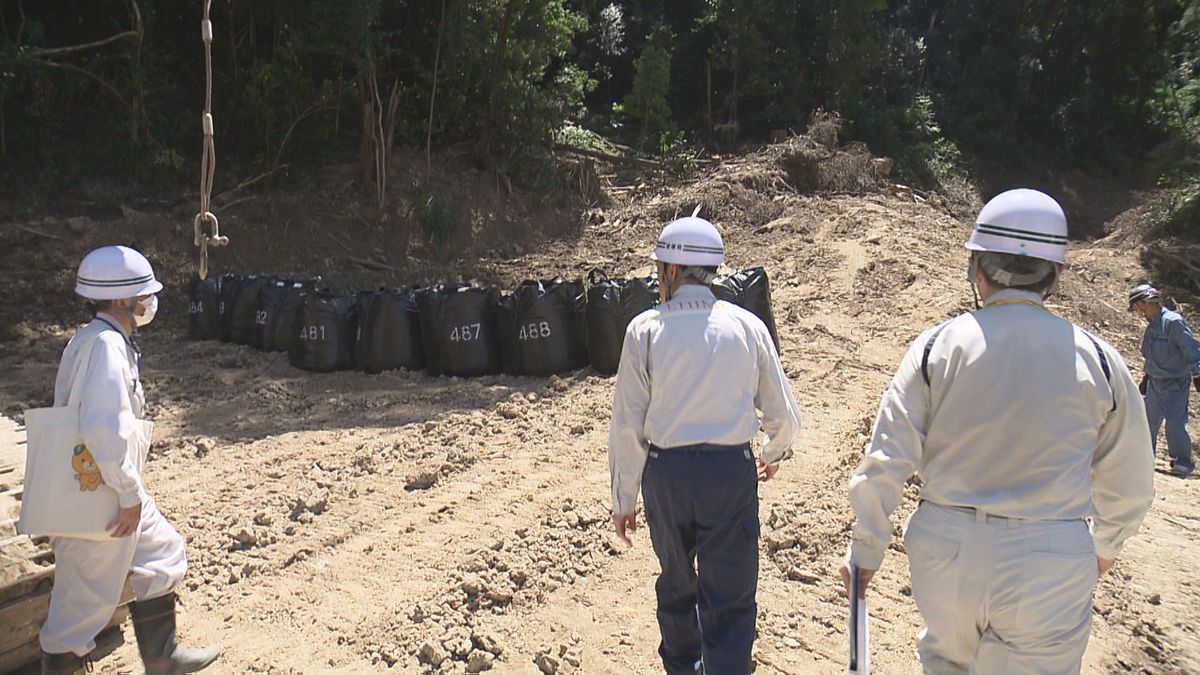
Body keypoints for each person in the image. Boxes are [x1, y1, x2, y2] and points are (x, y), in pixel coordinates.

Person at [842, 189, 1154, 674]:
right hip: (1051, 554)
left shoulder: (935, 347)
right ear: (1055, 275)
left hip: (946, 548)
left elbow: (887, 456)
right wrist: (1105, 547)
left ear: (978, 270)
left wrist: (866, 549)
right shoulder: (1098, 360)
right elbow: (1131, 480)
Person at [608, 217, 802, 675]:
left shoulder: (644, 330)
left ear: (672, 271)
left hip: (667, 476)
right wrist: (772, 452)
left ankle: (681, 667)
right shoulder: (747, 326)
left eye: (660, 269)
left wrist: (623, 499)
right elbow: (785, 416)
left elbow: (626, 423)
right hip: (729, 473)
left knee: (677, 585)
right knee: (731, 594)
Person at [39, 246, 220, 675]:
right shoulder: (105, 347)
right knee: (81, 603)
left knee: (162, 552)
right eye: (144, 294)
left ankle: (163, 657)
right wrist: (127, 493)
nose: (149, 302)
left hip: (105, 485)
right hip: (99, 493)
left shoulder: (97, 339)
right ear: (123, 300)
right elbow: (104, 426)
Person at [1129, 283, 1200, 477]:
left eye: (1136, 307)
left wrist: (1197, 373)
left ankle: (1183, 462)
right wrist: (1146, 377)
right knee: (1148, 423)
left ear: (1144, 303)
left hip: (1175, 383)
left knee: (1175, 424)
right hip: (1155, 383)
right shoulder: (1152, 325)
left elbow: (1190, 349)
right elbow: (1151, 355)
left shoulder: (1173, 322)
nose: (1136, 312)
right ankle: (1145, 459)